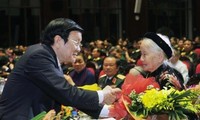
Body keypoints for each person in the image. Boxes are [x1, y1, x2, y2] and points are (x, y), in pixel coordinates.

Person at [0, 18, 121, 120]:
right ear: (58, 40)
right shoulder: (39, 56)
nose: (79, 49)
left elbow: (63, 94)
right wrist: (102, 94)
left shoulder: (50, 58)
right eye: (76, 42)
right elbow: (66, 93)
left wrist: (110, 112)